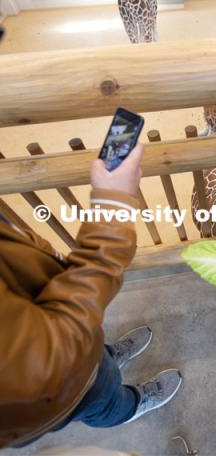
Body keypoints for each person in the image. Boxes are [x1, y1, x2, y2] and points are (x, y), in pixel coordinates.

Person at [0, 144, 182, 448]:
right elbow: (52, 356)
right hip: (57, 389)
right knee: (102, 400)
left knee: (96, 354)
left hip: (58, 337)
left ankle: (109, 355)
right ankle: (133, 404)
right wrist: (113, 209)